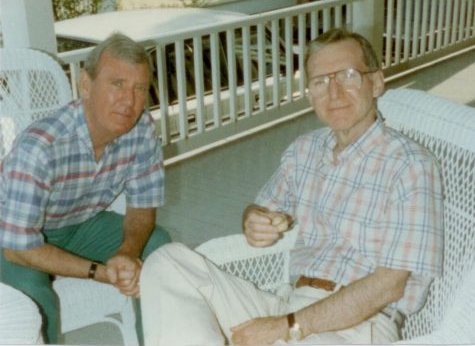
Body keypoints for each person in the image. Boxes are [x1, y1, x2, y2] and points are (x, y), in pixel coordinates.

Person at [139, 28, 444, 345]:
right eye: (320, 82)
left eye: (348, 76)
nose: (333, 92)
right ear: (310, 94)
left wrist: (287, 327)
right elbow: (264, 209)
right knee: (167, 262)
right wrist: (254, 219)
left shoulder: (411, 166)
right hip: (288, 304)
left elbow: (388, 285)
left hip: (358, 325)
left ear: (377, 82)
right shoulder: (304, 151)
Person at [0, 33, 171, 344]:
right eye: (117, 84)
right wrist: (101, 272)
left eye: (139, 89)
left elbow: (143, 208)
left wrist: (126, 254)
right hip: (9, 235)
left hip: (76, 223)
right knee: (36, 297)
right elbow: (18, 246)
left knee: (158, 248)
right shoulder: (41, 146)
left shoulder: (142, 129)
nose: (128, 101)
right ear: (86, 85)